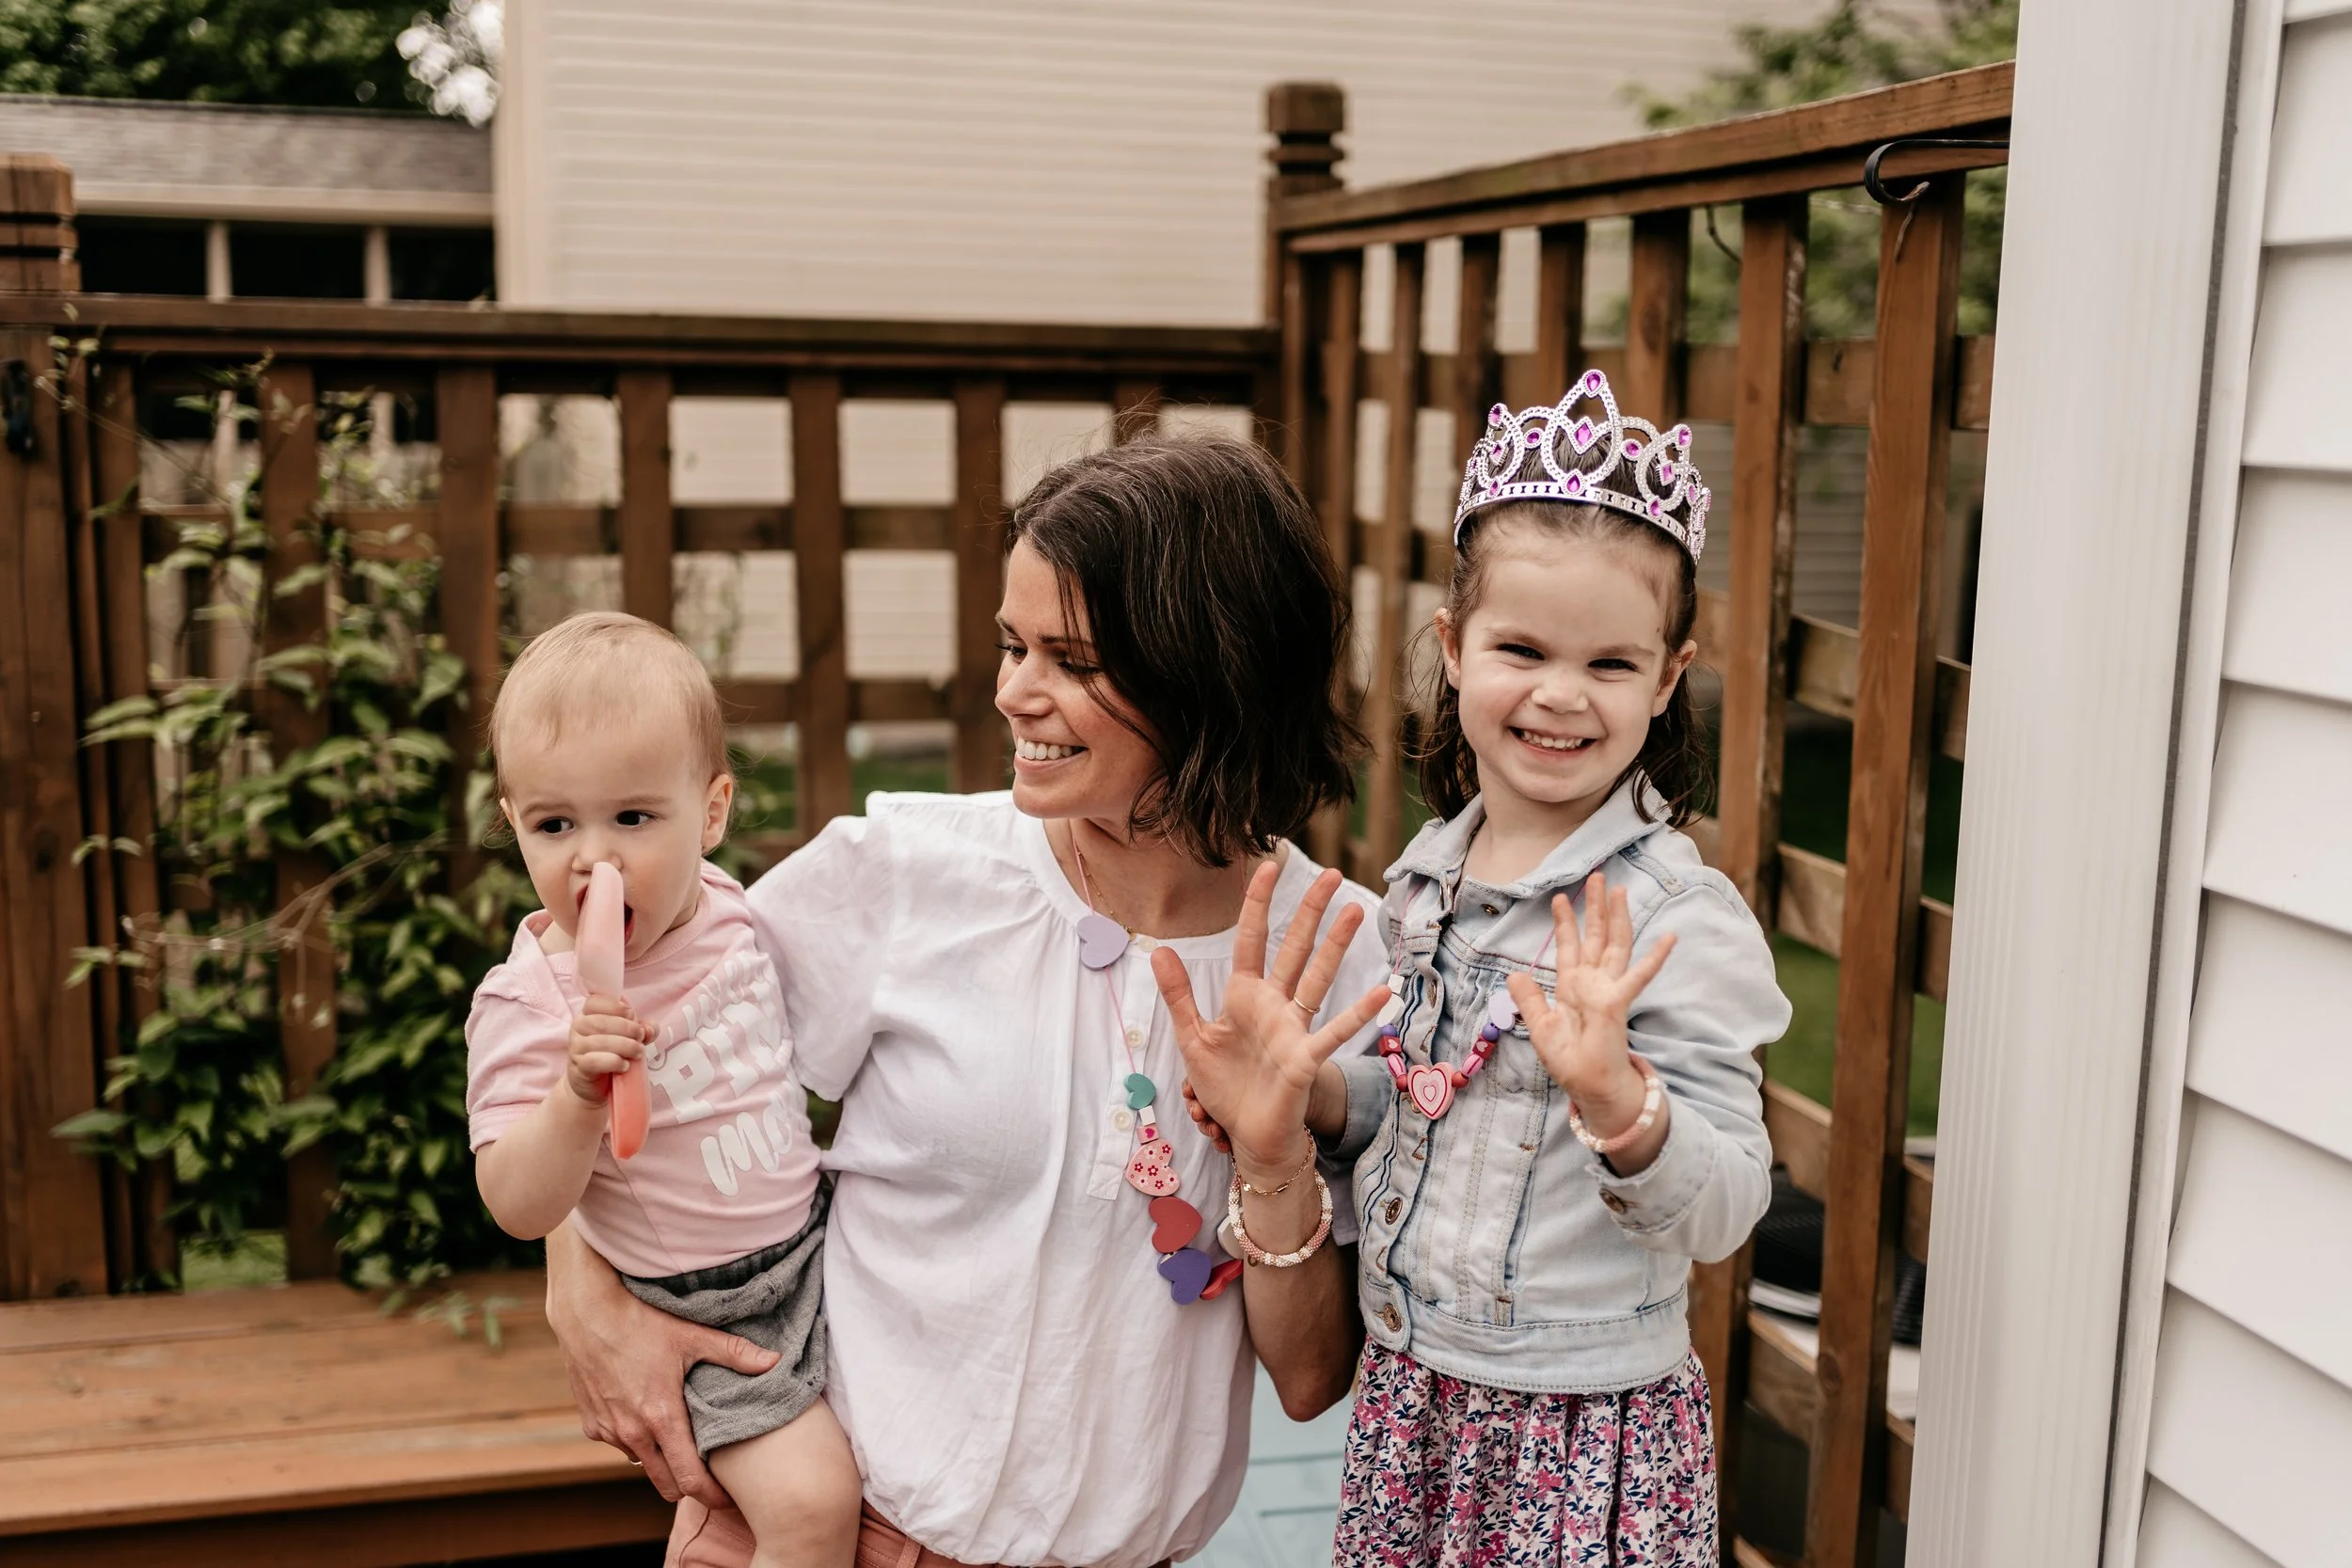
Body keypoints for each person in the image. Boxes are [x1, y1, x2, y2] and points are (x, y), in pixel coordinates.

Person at [539, 436, 1390, 1568]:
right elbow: (609, 1038)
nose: (1011, 691)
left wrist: (1272, 1154)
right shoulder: (903, 872)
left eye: (1070, 659)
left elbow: (1311, 1377)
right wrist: (578, 1285)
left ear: (1211, 670)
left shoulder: (1339, 957)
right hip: (816, 1536)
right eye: (1011, 643)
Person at [1169, 372, 1790, 1563]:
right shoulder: (1425, 882)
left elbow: (1725, 1205)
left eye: (1611, 664)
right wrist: (1318, 1093)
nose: (1561, 693)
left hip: (1577, 1425)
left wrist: (1618, 1097)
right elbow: (1430, 1103)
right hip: (1416, 1399)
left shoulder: (1671, 920)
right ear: (1453, 649)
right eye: (1522, 648)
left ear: (1667, 679)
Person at [468, 612, 858, 1568]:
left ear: (712, 812)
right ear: (513, 823)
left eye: (633, 819)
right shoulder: (533, 1000)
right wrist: (575, 1098)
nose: (593, 858)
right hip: (702, 1308)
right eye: (554, 824)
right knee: (812, 1505)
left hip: (823, 1245)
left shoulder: (729, 908)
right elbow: (515, 1204)